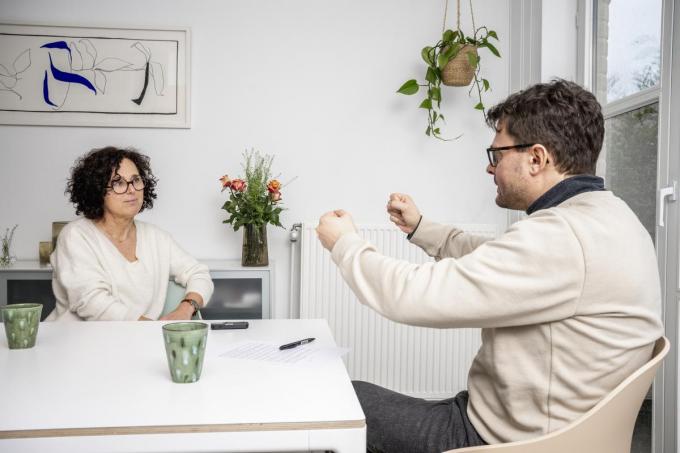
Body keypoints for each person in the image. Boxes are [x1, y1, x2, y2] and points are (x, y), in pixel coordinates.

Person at [316, 79, 664, 452]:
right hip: (551, 429)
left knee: (336, 401)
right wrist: (420, 228)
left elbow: (412, 295)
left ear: (536, 159)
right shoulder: (607, 218)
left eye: (497, 155)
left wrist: (345, 244)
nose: (489, 167)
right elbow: (500, 258)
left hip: (503, 440)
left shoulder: (561, 237)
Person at [47, 146, 214, 321]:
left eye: (136, 180)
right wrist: (155, 331)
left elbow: (199, 273)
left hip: (139, 340)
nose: (132, 189)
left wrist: (186, 308)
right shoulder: (76, 235)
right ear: (97, 190)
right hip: (79, 342)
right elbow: (92, 303)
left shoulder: (156, 237)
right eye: (118, 183)